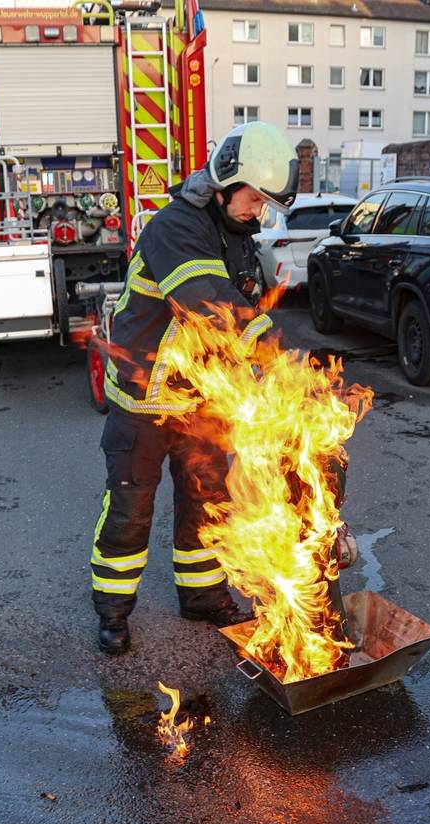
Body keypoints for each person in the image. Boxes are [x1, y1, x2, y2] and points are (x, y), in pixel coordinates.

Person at [89, 122, 299, 655]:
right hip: (144, 400)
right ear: (227, 182)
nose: (259, 211)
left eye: (265, 203)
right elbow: (208, 300)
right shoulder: (175, 227)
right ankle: (113, 612)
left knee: (207, 504)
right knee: (130, 511)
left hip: (202, 403)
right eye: (255, 198)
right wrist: (269, 348)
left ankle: (201, 595)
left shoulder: (237, 234)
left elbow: (246, 292)